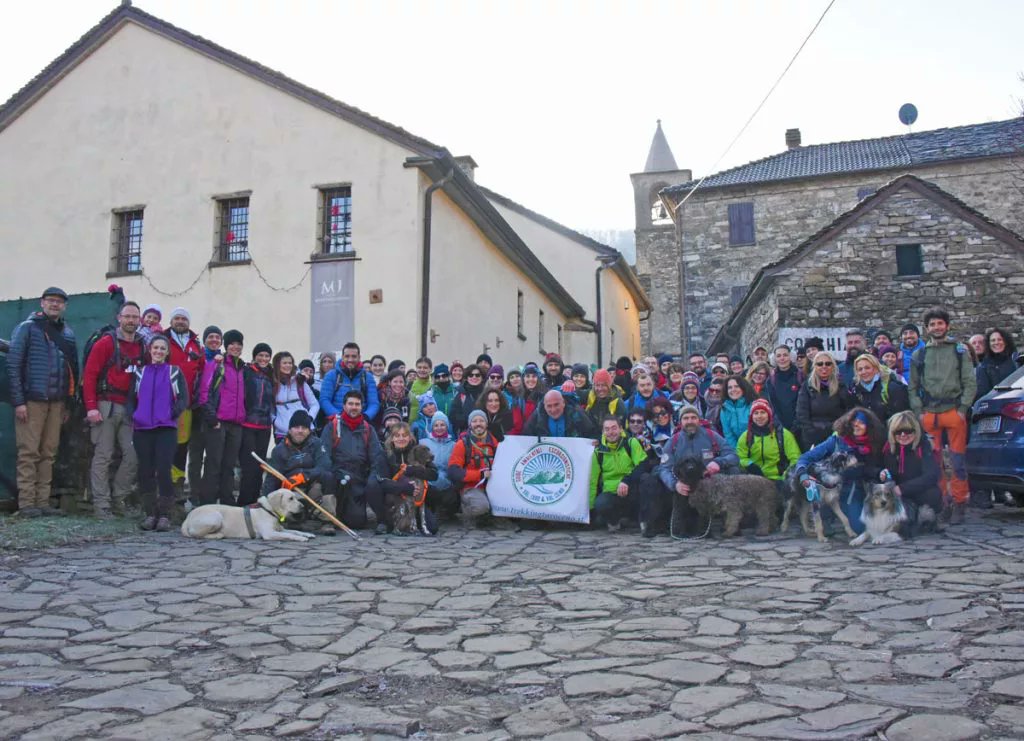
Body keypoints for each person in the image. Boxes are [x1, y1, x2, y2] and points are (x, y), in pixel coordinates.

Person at [7, 286, 78, 517]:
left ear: (64, 305)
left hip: (57, 403)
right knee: (28, 453)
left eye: (59, 301)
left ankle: (42, 502)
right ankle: (27, 504)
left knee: (48, 453)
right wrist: (18, 402)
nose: (55, 304)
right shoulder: (27, 329)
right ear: (42, 303)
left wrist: (67, 404)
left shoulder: (67, 333)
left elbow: (71, 372)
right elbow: (13, 366)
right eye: (51, 301)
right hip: (32, 401)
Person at [909, 308, 976, 524]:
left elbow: (969, 381)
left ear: (947, 325)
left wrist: (963, 408)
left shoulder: (959, 351)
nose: (936, 327)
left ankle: (959, 502)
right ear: (926, 329)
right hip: (930, 413)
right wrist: (919, 412)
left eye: (940, 323)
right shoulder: (920, 354)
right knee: (933, 461)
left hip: (953, 410)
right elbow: (913, 386)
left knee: (957, 460)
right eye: (932, 324)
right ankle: (943, 502)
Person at [83, 301, 145, 518]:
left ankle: (119, 499)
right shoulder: (106, 343)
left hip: (129, 408)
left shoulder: (142, 345)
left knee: (133, 455)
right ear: (119, 318)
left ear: (140, 320)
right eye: (127, 316)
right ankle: (102, 506)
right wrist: (91, 407)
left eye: (135, 317)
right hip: (105, 405)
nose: (131, 321)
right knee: (103, 456)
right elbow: (90, 375)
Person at [645, 404, 739, 537]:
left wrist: (719, 462)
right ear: (681, 421)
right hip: (683, 486)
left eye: (693, 417)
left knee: (734, 470)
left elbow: (733, 456)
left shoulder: (712, 436)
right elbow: (664, 468)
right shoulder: (673, 441)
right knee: (652, 479)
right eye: (686, 418)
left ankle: (730, 521)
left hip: (710, 483)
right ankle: (659, 523)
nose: (690, 421)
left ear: (699, 420)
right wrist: (674, 484)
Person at [127, 335, 189, 531]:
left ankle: (164, 515)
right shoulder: (139, 373)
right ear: (150, 350)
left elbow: (183, 399)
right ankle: (149, 514)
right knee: (145, 471)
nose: (159, 351)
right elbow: (131, 399)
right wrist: (135, 416)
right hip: (142, 429)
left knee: (163, 470)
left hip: (166, 429)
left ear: (167, 352)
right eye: (156, 348)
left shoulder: (174, 372)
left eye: (163, 348)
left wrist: (170, 414)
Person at [795, 407, 885, 534]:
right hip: (828, 487)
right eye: (854, 421)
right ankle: (827, 518)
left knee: (859, 528)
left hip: (852, 488)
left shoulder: (873, 445)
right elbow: (806, 457)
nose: (856, 425)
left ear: (869, 426)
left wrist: (877, 473)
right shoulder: (836, 441)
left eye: (861, 422)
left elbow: (871, 470)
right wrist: (802, 473)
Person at [261, 409, 334, 534]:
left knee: (328, 476)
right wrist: (265, 503)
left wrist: (304, 476)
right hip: (292, 492)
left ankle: (326, 521)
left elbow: (325, 466)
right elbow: (271, 479)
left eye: (304, 428)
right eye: (296, 427)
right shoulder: (279, 450)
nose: (300, 431)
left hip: (312, 488)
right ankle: (292, 521)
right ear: (289, 430)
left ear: (309, 430)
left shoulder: (317, 444)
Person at [325, 390, 389, 532]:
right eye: (350, 404)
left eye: (357, 404)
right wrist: (335, 472)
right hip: (337, 478)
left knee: (356, 522)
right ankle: (328, 517)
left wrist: (373, 477)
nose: (354, 407)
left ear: (362, 407)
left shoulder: (368, 429)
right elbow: (325, 456)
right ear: (344, 406)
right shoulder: (332, 426)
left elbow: (376, 456)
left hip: (358, 479)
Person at [162, 308, 203, 495]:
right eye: (177, 318)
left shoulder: (195, 344)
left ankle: (176, 489)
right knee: (163, 445)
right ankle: (160, 488)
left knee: (180, 447)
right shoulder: (162, 341)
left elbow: (201, 371)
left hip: (185, 405)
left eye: (184, 319)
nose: (180, 321)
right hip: (162, 403)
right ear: (171, 321)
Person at [880, 410, 942, 525]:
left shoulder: (923, 446)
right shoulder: (888, 448)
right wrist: (882, 473)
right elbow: (884, 471)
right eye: (898, 432)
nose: (903, 435)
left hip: (918, 492)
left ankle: (924, 516)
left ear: (915, 431)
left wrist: (902, 488)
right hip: (897, 495)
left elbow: (932, 475)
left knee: (933, 494)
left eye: (908, 431)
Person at [591, 415, 648, 530]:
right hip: (611, 492)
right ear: (603, 431)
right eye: (607, 429)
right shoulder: (598, 453)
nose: (611, 432)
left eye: (614, 428)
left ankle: (641, 520)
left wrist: (626, 481)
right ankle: (615, 522)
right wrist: (590, 510)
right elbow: (592, 481)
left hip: (632, 489)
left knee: (646, 480)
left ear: (621, 429)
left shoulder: (631, 443)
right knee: (600, 505)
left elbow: (642, 465)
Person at [380, 422, 439, 533]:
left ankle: (424, 516)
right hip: (397, 497)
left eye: (404, 435)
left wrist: (412, 470)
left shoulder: (419, 450)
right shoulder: (385, 454)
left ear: (410, 437)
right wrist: (403, 487)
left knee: (433, 528)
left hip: (418, 497)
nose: (401, 438)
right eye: (397, 436)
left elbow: (433, 474)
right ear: (392, 438)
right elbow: (381, 481)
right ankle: (388, 520)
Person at [187, 326, 223, 501]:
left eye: (217, 337)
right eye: (211, 336)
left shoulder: (223, 362)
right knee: (195, 458)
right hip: (196, 413)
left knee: (212, 459)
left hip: (215, 416)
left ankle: (206, 495)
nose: (214, 340)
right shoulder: (198, 357)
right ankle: (194, 495)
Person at [237, 342, 275, 507]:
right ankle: (244, 501)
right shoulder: (247, 371)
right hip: (248, 424)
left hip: (265, 426)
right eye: (261, 355)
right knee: (248, 465)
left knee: (260, 465)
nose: (264, 358)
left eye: (267, 356)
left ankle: (254, 501)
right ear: (255, 356)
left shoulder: (271, 375)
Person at [447, 409, 499, 526]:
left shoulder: (495, 443)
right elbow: (453, 471)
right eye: (474, 421)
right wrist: (479, 475)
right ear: (470, 424)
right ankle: (467, 510)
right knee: (481, 507)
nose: (478, 424)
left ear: (486, 424)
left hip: (492, 486)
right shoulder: (463, 444)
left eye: (481, 420)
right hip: (471, 487)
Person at [736, 398, 801, 488]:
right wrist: (750, 464)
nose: (759, 416)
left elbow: (796, 459)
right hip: (754, 480)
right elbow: (739, 457)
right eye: (756, 413)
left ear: (769, 415)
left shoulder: (783, 434)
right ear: (751, 417)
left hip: (778, 479)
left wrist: (786, 477)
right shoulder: (746, 436)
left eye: (763, 412)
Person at [795, 350, 852, 449]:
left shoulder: (841, 386)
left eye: (828, 363)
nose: (824, 366)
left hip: (835, 433)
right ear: (815, 367)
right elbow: (802, 413)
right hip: (812, 436)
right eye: (820, 364)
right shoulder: (807, 386)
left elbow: (847, 410)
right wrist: (811, 432)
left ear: (833, 366)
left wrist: (839, 429)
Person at [320, 342, 380, 422]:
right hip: (337, 421)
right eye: (347, 356)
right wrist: (339, 417)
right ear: (342, 357)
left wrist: (366, 417)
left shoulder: (367, 377)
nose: (350, 360)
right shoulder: (331, 375)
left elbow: (374, 403)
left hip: (361, 422)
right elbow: (324, 400)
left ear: (359, 357)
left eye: (354, 356)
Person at [271, 351, 319, 443]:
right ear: (277, 365)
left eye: (290, 363)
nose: (288, 365)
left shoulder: (299, 381)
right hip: (282, 432)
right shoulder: (271, 383)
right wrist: (275, 421)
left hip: (305, 431)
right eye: (284, 363)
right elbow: (269, 408)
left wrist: (308, 419)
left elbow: (314, 404)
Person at [850, 352, 910, 424]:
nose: (864, 372)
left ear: (876, 369)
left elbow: (900, 417)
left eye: (867, 368)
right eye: (860, 369)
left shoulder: (893, 388)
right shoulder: (856, 390)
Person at [420, 411, 458, 518]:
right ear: (432, 427)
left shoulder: (454, 445)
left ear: (447, 426)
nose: (439, 428)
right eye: (436, 425)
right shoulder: (423, 443)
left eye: (442, 425)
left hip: (447, 482)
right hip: (430, 482)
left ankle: (446, 510)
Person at [524, 389, 598, 439]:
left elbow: (592, 433)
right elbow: (525, 439)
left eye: (556, 405)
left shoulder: (577, 414)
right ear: (544, 406)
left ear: (563, 403)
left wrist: (594, 441)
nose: (553, 410)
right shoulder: (537, 417)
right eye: (549, 406)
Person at [766, 345, 804, 435]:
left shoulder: (800, 376)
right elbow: (773, 404)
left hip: (800, 426)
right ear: (774, 359)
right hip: (780, 428)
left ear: (791, 357)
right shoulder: (771, 379)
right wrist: (780, 425)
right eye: (778, 356)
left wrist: (796, 424)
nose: (782, 358)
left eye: (785, 355)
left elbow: (803, 403)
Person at [975, 328, 1018, 401]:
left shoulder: (1017, 360)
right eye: (993, 340)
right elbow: (982, 392)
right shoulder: (984, 366)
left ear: (1006, 342)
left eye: (999, 339)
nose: (996, 342)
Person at [719, 375, 755, 449]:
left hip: (756, 447)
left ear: (743, 388)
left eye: (736, 386)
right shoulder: (724, 409)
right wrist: (738, 452)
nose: (733, 390)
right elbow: (728, 435)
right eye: (730, 387)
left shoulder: (753, 405)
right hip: (737, 450)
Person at [449, 364, 486, 436]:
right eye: (471, 375)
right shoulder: (461, 394)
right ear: (467, 377)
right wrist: (470, 421)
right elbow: (452, 416)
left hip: (484, 434)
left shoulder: (487, 394)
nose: (474, 377)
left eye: (477, 375)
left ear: (482, 377)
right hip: (465, 435)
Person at [510, 362, 545, 435]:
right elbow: (517, 425)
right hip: (524, 439)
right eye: (527, 376)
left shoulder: (545, 396)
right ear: (523, 379)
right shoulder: (517, 399)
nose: (530, 379)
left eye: (534, 376)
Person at [408, 356, 433, 422]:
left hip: (428, 425)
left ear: (430, 369)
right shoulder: (410, 385)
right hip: (412, 424)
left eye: (425, 368)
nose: (422, 370)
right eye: (419, 367)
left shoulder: (433, 386)